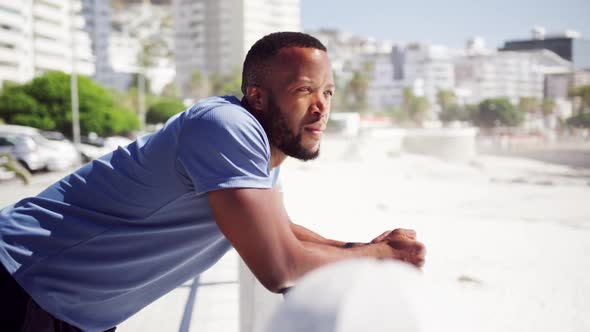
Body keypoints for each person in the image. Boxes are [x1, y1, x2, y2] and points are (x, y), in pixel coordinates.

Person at [0, 32, 426, 332]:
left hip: (75, 307)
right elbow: (278, 267)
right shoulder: (227, 127)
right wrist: (377, 256)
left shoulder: (262, 145)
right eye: (304, 90)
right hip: (23, 276)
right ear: (257, 96)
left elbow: (278, 229)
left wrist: (357, 246)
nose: (321, 108)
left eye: (328, 92)